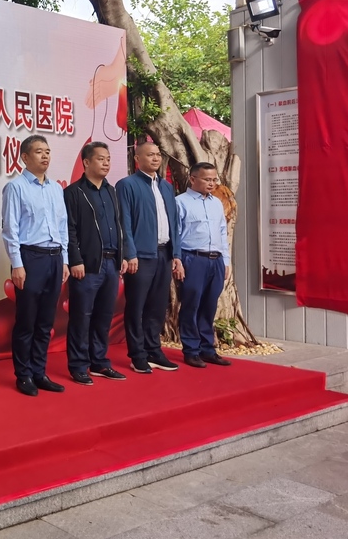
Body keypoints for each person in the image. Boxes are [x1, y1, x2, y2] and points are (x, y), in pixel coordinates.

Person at [2, 136, 69, 397]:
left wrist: (65, 260)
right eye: (39, 151)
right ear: (25, 157)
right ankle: (24, 375)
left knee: (45, 322)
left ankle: (40, 372)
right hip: (30, 258)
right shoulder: (16, 187)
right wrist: (17, 264)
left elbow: (62, 227)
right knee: (26, 321)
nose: (45, 156)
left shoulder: (56, 189)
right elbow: (10, 229)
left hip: (55, 258)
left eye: (47, 151)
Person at [63, 142, 128, 386]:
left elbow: (119, 226)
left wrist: (122, 256)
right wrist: (75, 260)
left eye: (108, 159)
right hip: (87, 265)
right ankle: (79, 365)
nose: (106, 163)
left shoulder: (111, 191)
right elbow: (69, 230)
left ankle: (99, 362)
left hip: (111, 263)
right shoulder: (73, 192)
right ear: (86, 162)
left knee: (104, 316)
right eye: (101, 159)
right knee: (81, 317)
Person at [116, 142, 182, 375]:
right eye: (150, 155)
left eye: (157, 155)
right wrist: (130, 253)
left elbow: (174, 222)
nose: (155, 159)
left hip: (164, 254)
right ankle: (137, 354)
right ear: (137, 159)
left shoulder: (166, 187)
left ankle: (154, 350)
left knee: (157, 306)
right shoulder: (127, 185)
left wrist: (176, 254)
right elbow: (124, 223)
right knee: (137, 306)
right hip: (141, 256)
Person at [175, 162, 232, 368]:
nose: (212, 183)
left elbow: (223, 232)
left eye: (214, 179)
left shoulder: (216, 202)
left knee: (209, 305)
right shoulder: (180, 202)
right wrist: (177, 260)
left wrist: (226, 261)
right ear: (193, 179)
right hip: (192, 259)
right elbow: (175, 234)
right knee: (191, 305)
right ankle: (191, 350)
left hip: (216, 260)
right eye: (207, 179)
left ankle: (208, 349)